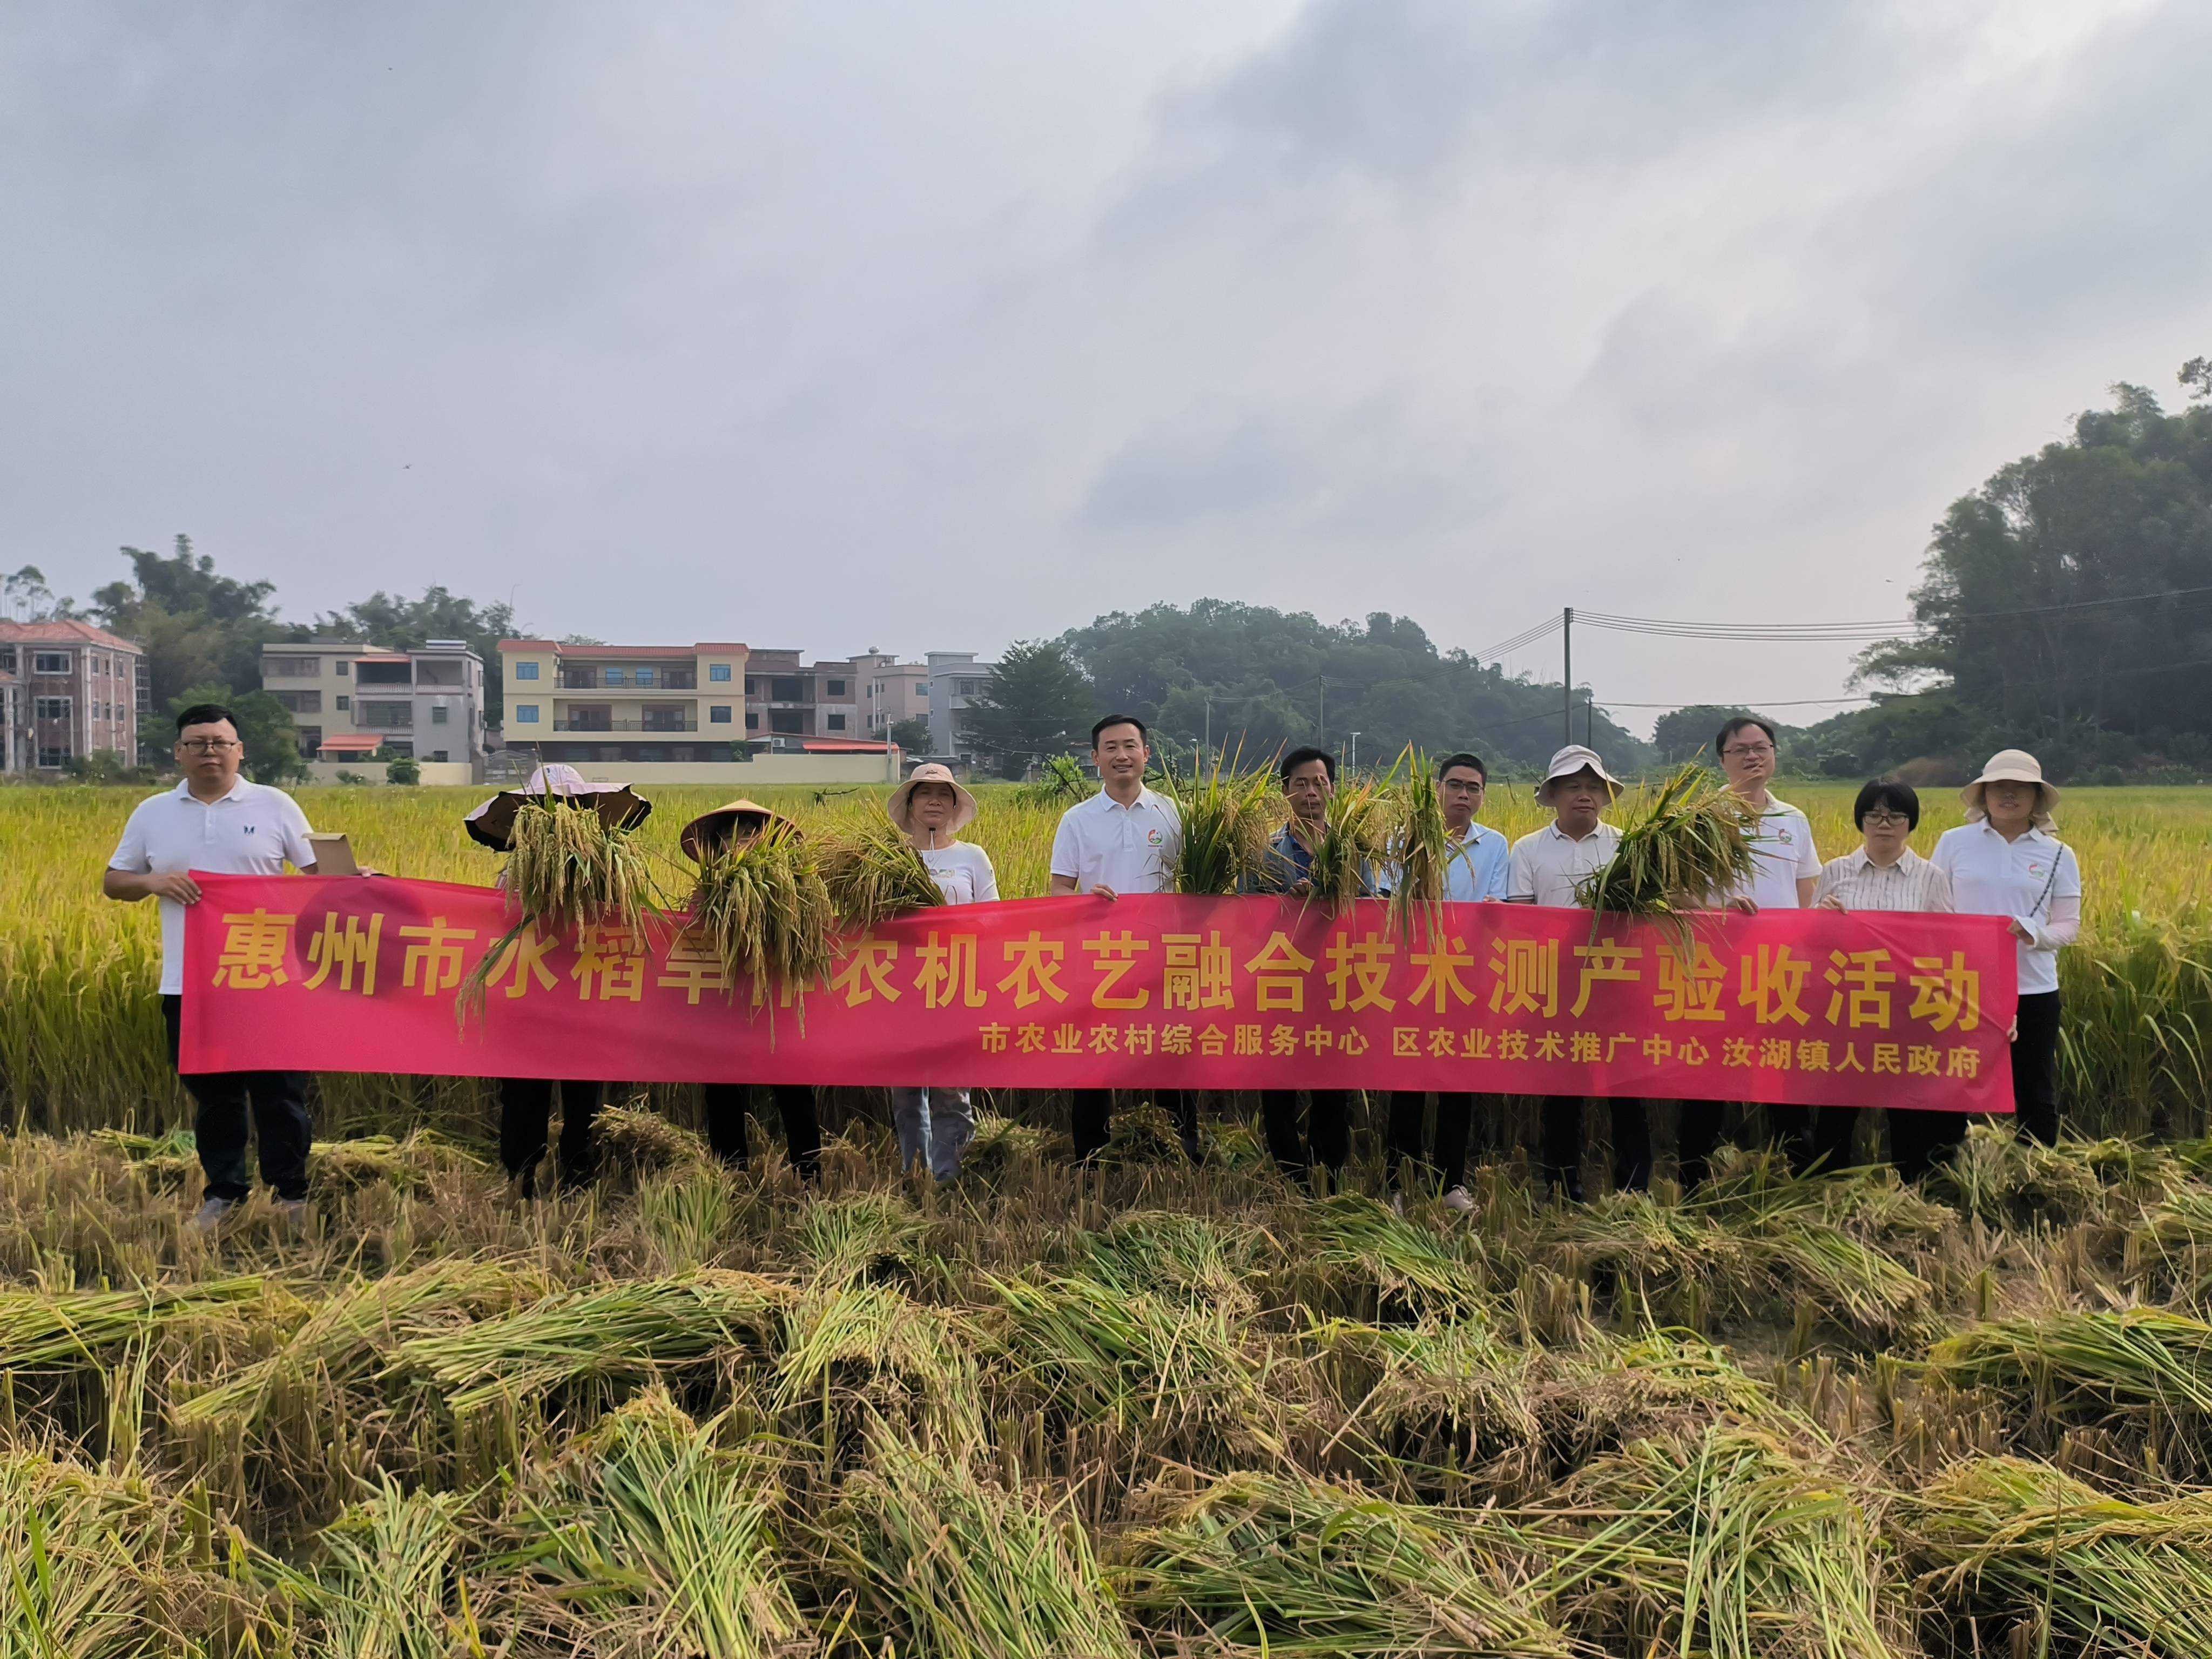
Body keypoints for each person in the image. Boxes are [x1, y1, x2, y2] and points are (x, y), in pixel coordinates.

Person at [104, 703, 320, 1234]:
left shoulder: (275, 805)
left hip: (269, 981)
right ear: (179, 752)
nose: (209, 751)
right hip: (190, 984)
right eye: (197, 742)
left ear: (239, 750)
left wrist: (359, 879)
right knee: (214, 1097)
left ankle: (291, 1194)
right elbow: (114, 881)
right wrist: (154, 882)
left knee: (281, 1096)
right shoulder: (153, 812)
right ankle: (224, 1192)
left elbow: (320, 875)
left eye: (220, 742)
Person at [465, 764, 647, 1198]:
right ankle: (520, 1177)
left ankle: (577, 1172)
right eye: (547, 810)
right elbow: (498, 922)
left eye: (567, 808)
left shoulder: (606, 866)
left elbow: (622, 923)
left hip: (585, 999)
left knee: (583, 1093)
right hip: (529, 999)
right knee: (524, 1092)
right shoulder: (517, 871)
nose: (557, 816)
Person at [1791, 780, 1957, 1175]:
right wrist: (1820, 921)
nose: (1885, 823)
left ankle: (1912, 1191)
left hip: (1906, 1009)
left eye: (1896, 815)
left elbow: (1950, 943)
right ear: (1861, 820)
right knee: (1838, 1105)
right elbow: (1808, 942)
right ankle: (1830, 1187)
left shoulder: (1930, 877)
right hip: (1846, 1008)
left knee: (1907, 1108)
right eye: (1874, 814)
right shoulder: (1836, 872)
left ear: (1910, 822)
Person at [1048, 714, 1191, 1163]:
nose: (1121, 755)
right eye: (1110, 748)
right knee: (1096, 1057)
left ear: (1147, 754)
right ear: (1095, 759)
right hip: (1100, 960)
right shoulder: (1077, 820)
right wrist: (1084, 900)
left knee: (1172, 1052)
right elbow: (1059, 889)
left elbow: (1197, 884)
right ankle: (1091, 1154)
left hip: (1166, 956)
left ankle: (1180, 1148)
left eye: (1130, 746)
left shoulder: (1173, 813)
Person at [1933, 750, 2080, 1154]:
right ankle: (1947, 1172)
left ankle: (2038, 1174)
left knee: (2034, 1085)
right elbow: (1932, 909)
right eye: (1999, 786)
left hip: (2032, 986)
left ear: (2036, 797)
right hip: (1962, 987)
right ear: (1983, 795)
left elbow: (2069, 925)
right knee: (1955, 1082)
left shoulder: (2058, 855)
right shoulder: (1954, 843)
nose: (2008, 794)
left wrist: (2033, 932)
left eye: (2019, 788)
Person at [1695, 716, 1822, 1182]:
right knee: (1711, 1072)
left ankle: (1796, 1171)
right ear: (1722, 760)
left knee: (1784, 1072)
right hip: (1720, 968)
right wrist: (1719, 906)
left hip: (1781, 970)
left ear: (1773, 754)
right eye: (1740, 750)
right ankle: (1695, 1173)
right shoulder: (1702, 818)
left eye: (1761, 747)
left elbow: (1806, 888)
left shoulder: (1793, 819)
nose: (1752, 756)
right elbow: (1676, 891)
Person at [1507, 745, 1633, 1198]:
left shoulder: (1628, 847)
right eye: (1574, 786)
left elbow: (1651, 911)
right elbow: (1520, 921)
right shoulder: (1527, 850)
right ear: (1554, 795)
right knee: (1562, 1091)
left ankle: (1633, 1186)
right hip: (1554, 987)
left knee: (1626, 1086)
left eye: (1594, 787)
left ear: (1605, 796)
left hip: (1617, 983)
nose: (1585, 795)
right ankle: (1563, 1184)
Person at [680, 798, 825, 1182]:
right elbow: (689, 939)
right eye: (731, 834)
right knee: (723, 1091)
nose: (741, 841)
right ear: (720, 844)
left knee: (794, 1089)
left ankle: (808, 1174)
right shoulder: (708, 889)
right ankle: (732, 1173)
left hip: (778, 1005)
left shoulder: (797, 889)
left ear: (770, 838)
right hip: (724, 1007)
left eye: (751, 832)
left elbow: (812, 939)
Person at [1385, 751, 1506, 1212]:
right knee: (1408, 1080)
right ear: (1438, 790)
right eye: (1455, 784)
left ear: (1482, 796)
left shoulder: (1495, 845)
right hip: (1409, 978)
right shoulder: (1405, 839)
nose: (1463, 794)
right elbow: (1385, 899)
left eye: (1473, 787)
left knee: (1459, 1081)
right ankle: (1398, 1182)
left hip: (1466, 979)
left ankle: (1451, 1182)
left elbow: (1500, 903)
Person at [1251, 746, 1371, 1188]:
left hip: (1336, 981)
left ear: (1333, 790)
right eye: (1300, 783)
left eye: (1319, 783)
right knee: (1278, 1077)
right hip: (1279, 980)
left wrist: (1333, 899)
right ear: (1285, 792)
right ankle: (1289, 1169)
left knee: (1332, 1076)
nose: (1310, 792)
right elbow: (1244, 914)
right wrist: (1286, 903)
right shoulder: (1264, 851)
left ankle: (1330, 1167)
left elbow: (1371, 910)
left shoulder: (1353, 850)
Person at [885, 763, 999, 1179]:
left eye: (943, 793)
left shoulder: (972, 857)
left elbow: (993, 917)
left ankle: (947, 1178)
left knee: (952, 1089)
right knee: (907, 1089)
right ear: (911, 803)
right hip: (901, 987)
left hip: (956, 983)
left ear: (953, 805)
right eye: (924, 792)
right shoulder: (889, 858)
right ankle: (916, 1174)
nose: (934, 800)